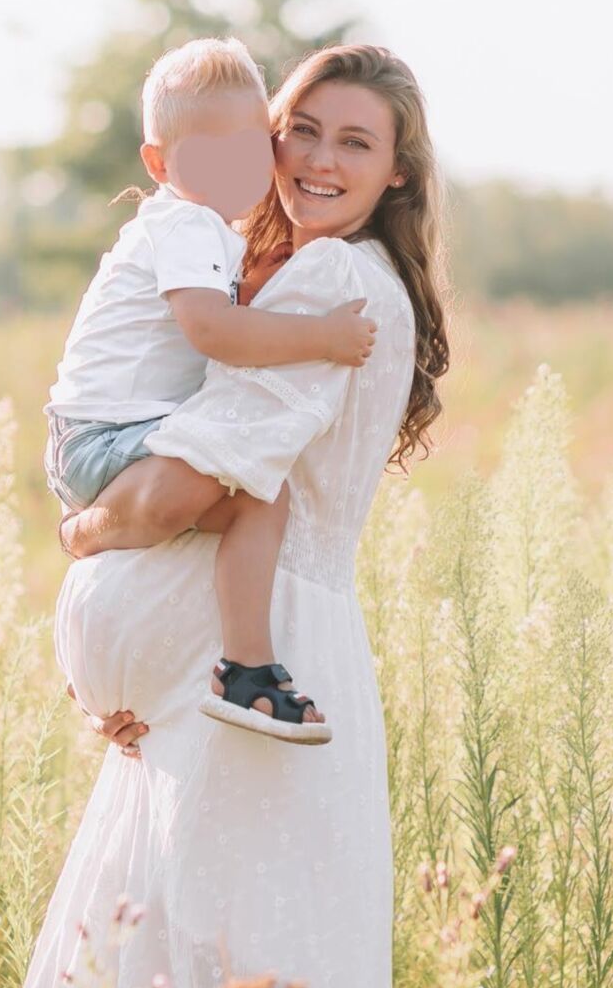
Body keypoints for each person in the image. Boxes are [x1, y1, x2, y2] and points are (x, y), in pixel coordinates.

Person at [0, 45, 449, 988]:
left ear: (398, 172)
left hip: (244, 672)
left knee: (199, 986)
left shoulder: (318, 289)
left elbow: (193, 484)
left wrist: (85, 538)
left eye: (356, 141)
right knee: (244, 972)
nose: (316, 158)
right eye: (303, 128)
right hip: (235, 674)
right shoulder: (326, 281)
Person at [45, 36, 375, 744]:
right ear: (160, 164)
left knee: (255, 495)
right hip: (103, 436)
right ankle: (248, 665)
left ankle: (245, 665)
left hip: (115, 435)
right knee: (257, 486)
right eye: (210, 154)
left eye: (251, 148)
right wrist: (322, 338)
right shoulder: (187, 224)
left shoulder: (210, 232)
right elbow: (213, 331)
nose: (238, 170)